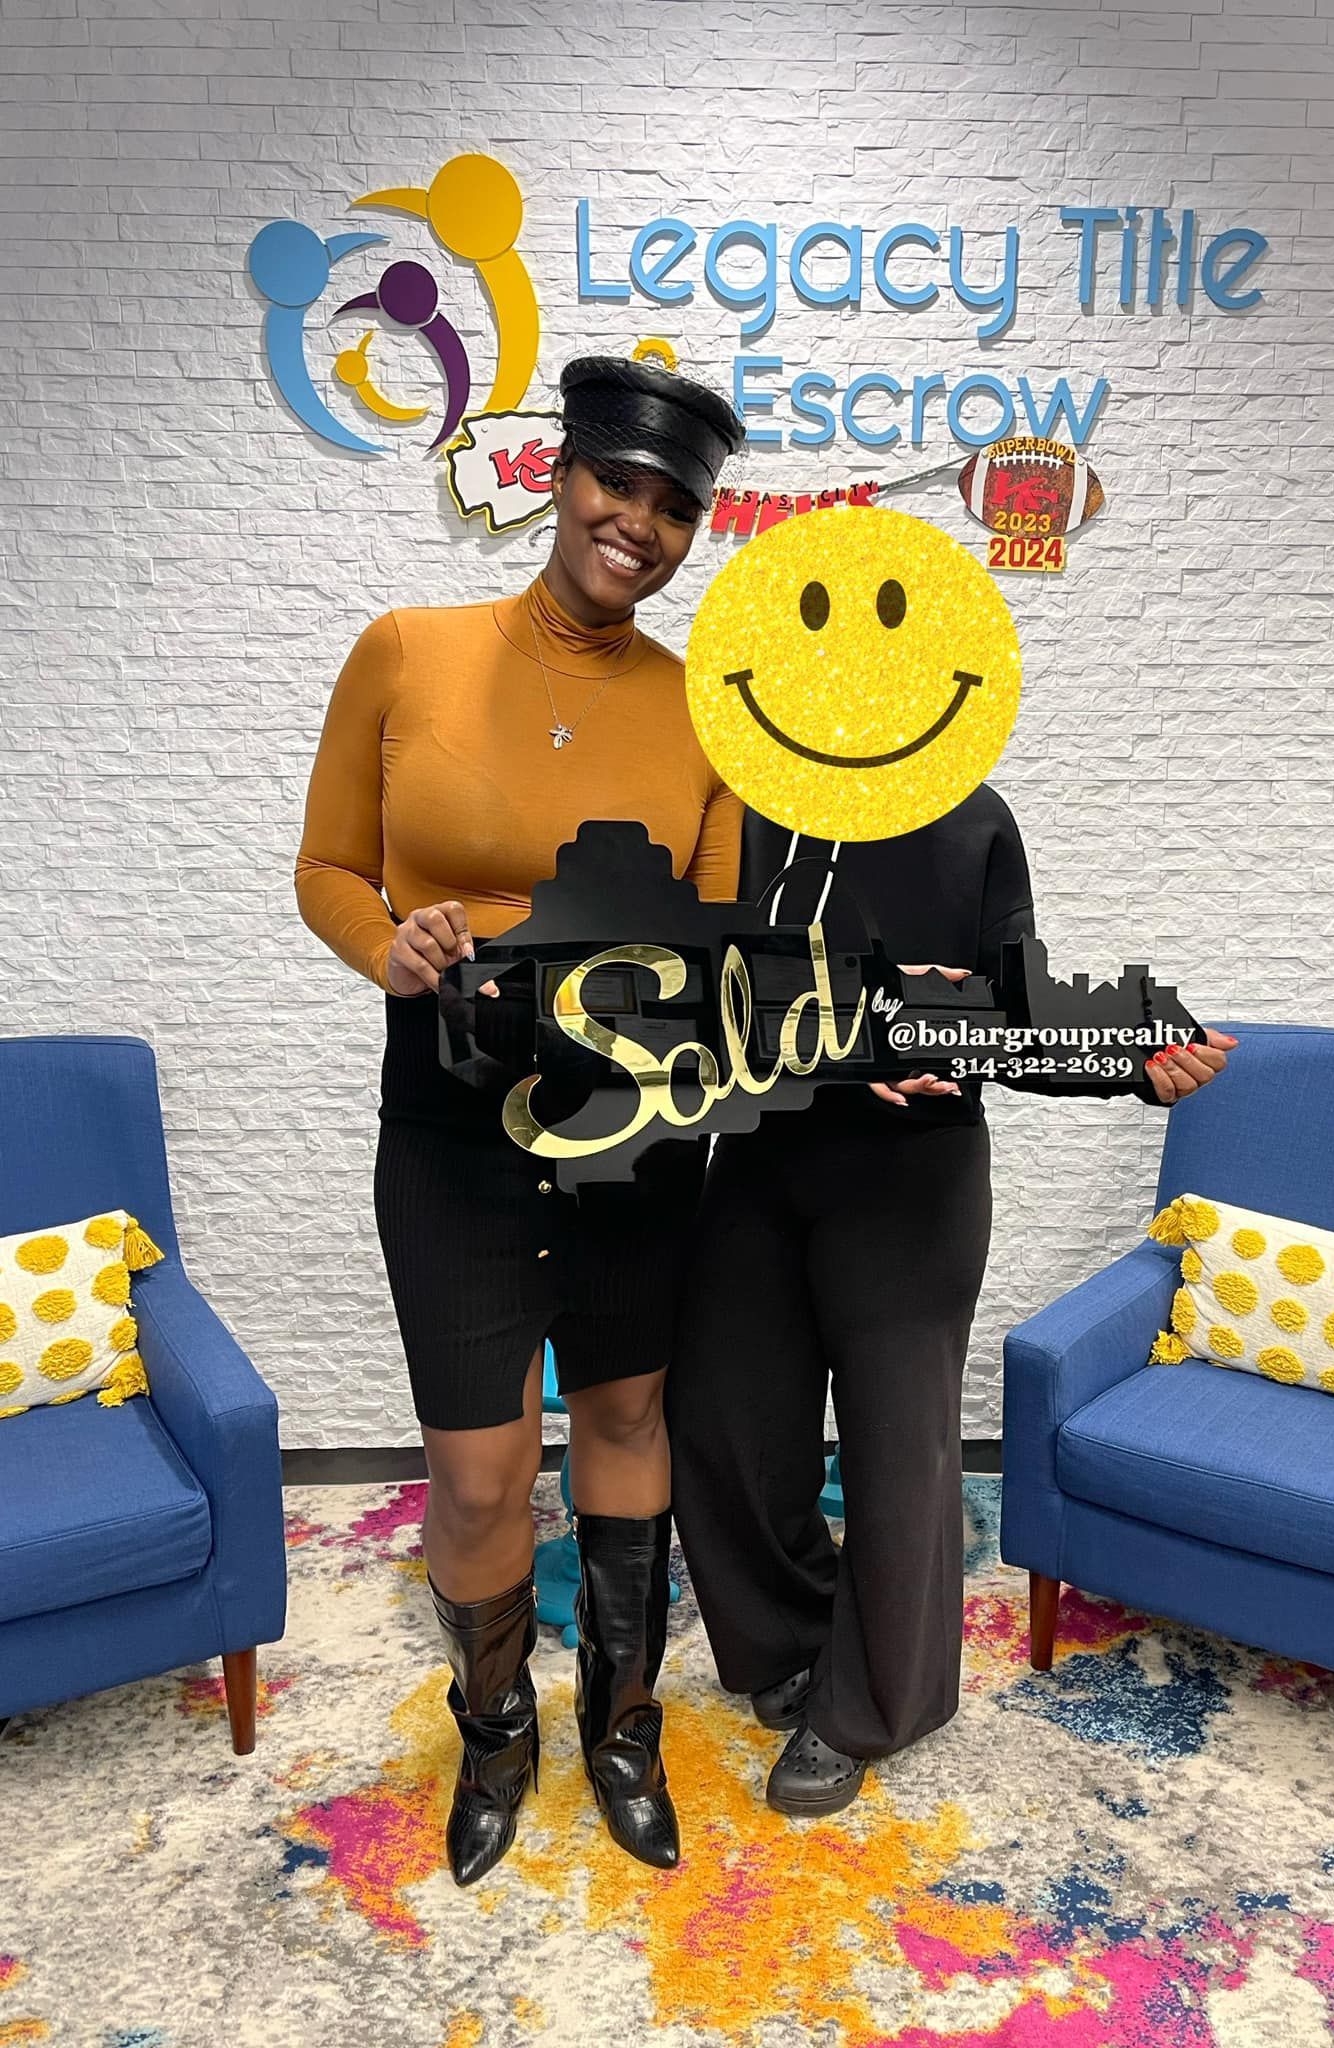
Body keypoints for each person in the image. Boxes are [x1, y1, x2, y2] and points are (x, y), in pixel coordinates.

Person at [294, 355, 746, 1880]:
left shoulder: (704, 714)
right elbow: (330, 870)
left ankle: (624, 1724)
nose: (641, 522)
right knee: (482, 1468)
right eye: (620, 483)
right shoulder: (407, 650)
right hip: (449, 1119)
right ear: (562, 477)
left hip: (632, 1126)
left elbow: (726, 939)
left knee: (625, 1418)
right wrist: (389, 947)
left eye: (677, 505)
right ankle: (496, 1731)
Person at [666, 791, 1237, 1814]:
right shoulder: (743, 801)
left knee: (899, 1449)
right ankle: (795, 1637)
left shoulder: (974, 821)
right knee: (720, 1416)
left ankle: (874, 1705)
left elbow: (1013, 1010)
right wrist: (845, 1037)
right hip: (757, 1157)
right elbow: (702, 984)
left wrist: (1132, 1067)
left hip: (912, 1183)